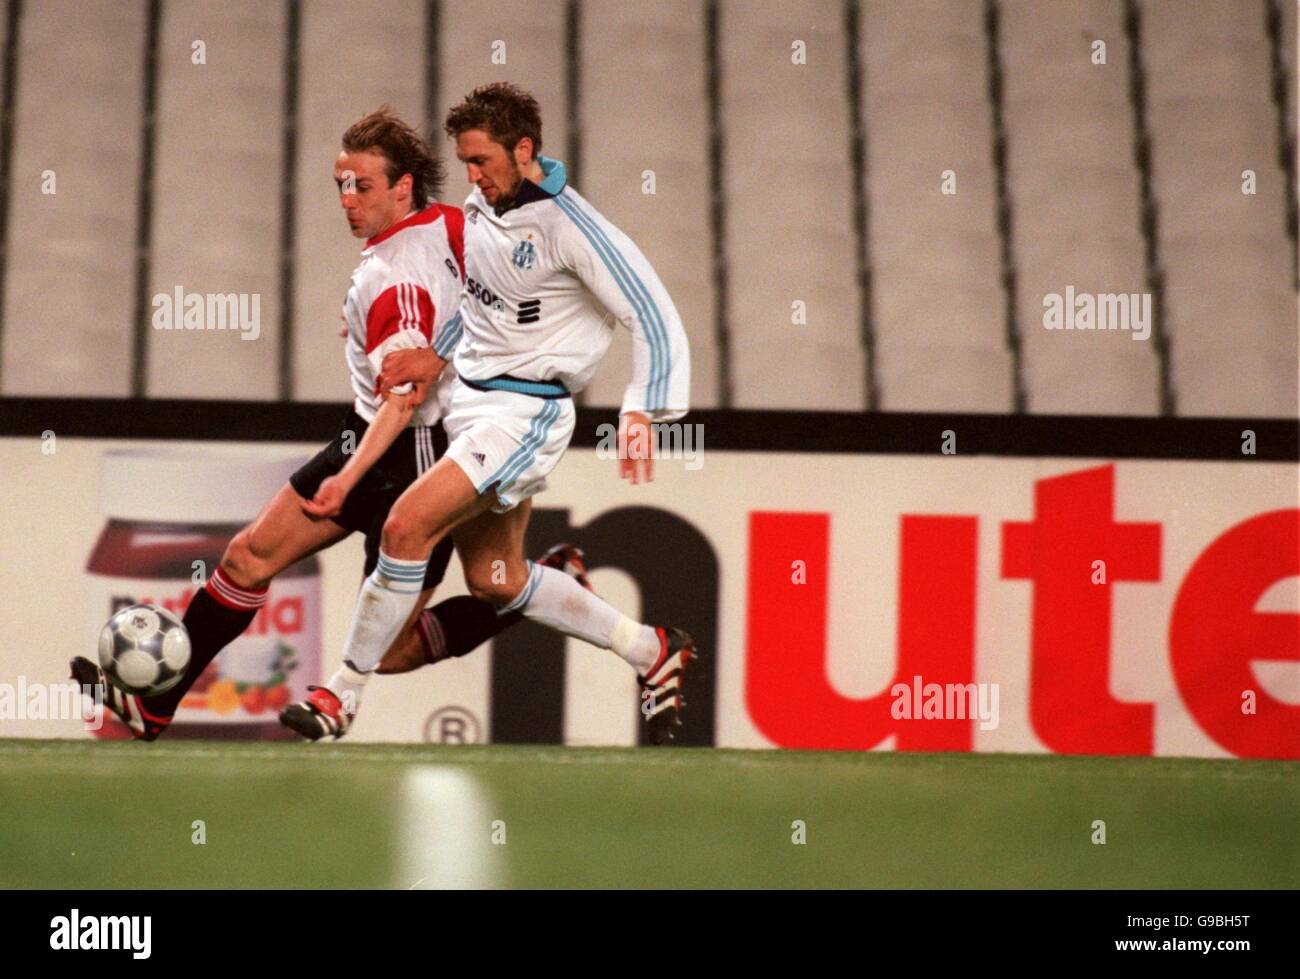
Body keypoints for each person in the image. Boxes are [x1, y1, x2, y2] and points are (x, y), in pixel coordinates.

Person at [72, 106, 586, 741]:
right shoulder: (457, 226)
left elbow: (404, 391)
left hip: (413, 449)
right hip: (373, 432)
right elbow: (503, 297)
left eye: (362, 185)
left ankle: (539, 593)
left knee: (396, 647)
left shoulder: (396, 273)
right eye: (340, 184)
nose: (346, 198)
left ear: (403, 187)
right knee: (248, 556)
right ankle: (153, 707)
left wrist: (353, 471)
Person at [284, 83, 696, 745]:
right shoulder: (483, 203)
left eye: (481, 161)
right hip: (472, 400)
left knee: (405, 525)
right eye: (466, 161)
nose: (470, 177)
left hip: (525, 413)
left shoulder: (572, 228)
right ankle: (650, 648)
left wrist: (642, 409)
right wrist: (433, 356)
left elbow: (651, 312)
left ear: (524, 149)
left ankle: (340, 695)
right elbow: (481, 304)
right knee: (495, 579)